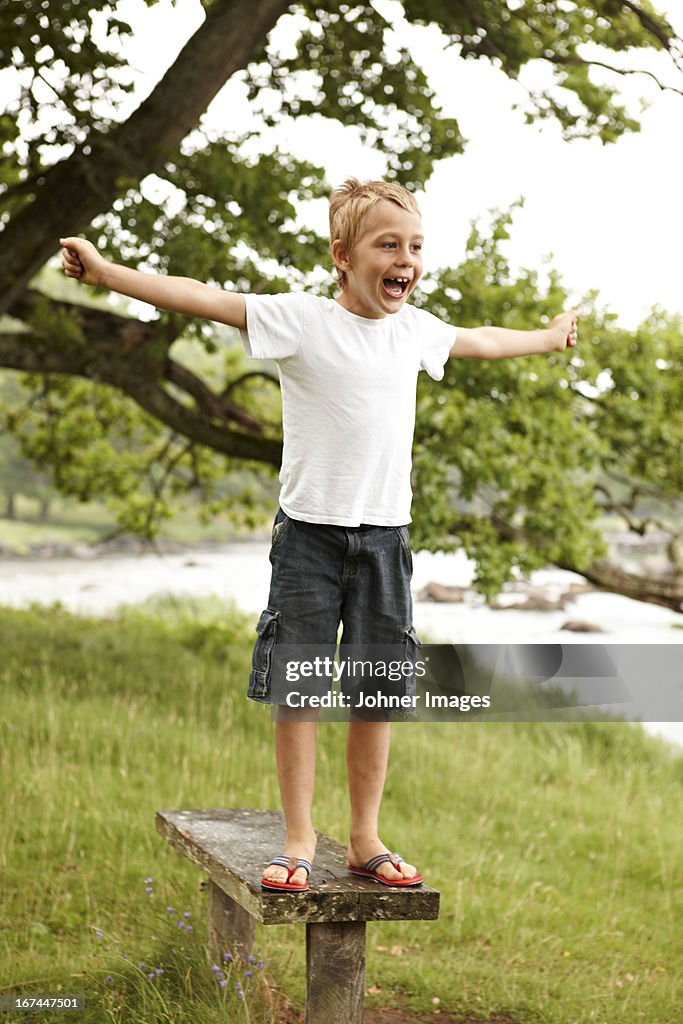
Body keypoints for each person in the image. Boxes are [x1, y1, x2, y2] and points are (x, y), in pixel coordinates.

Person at [60, 178, 578, 892]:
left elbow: (484, 340)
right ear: (342, 254)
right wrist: (107, 272)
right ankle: (299, 837)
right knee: (297, 690)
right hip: (308, 538)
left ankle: (364, 836)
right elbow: (201, 296)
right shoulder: (299, 320)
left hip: (386, 542)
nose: (405, 259)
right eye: (387, 245)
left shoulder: (414, 330)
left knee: (377, 691)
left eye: (415, 247)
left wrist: (548, 338)